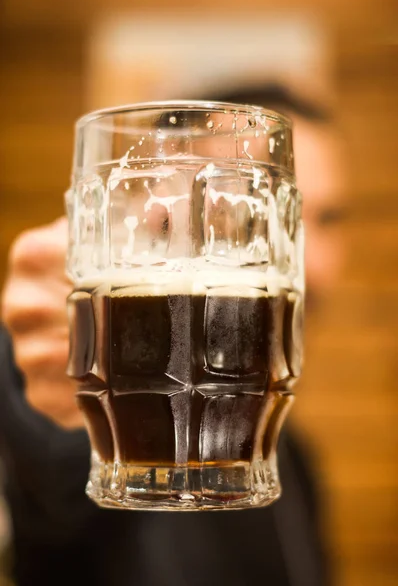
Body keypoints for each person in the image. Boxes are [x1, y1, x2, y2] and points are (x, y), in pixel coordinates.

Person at [0, 85, 344, 586]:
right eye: (247, 211)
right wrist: (53, 381)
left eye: (329, 218)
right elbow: (52, 498)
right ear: (165, 207)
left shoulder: (293, 456)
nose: (308, 257)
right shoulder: (114, 424)